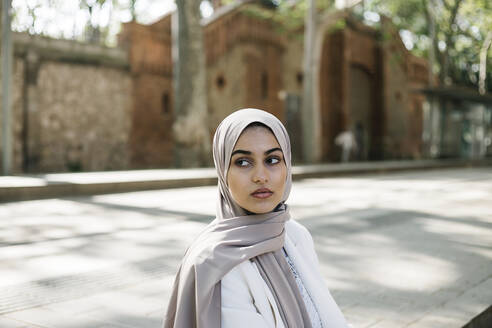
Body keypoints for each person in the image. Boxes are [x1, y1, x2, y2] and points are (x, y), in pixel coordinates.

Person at [163, 108, 349, 328]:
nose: (261, 176)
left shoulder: (295, 235)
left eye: (272, 160)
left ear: (287, 165)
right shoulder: (217, 263)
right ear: (223, 170)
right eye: (243, 162)